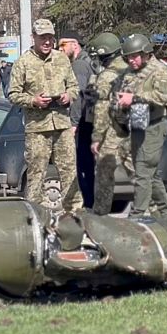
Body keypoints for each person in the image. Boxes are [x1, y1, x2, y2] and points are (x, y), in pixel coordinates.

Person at [7, 18, 81, 211]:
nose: (47, 42)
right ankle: (35, 216)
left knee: (69, 172)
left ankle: (74, 214)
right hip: (38, 128)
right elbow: (13, 94)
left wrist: (68, 96)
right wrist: (33, 101)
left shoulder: (62, 59)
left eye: (50, 37)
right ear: (34, 38)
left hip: (62, 125)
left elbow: (74, 86)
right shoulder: (23, 63)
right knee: (36, 174)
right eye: (42, 38)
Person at [115, 34, 167, 219]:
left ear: (145, 53)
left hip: (155, 126)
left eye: (134, 56)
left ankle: (136, 216)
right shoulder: (130, 72)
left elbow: (162, 97)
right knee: (152, 175)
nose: (131, 60)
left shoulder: (159, 71)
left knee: (143, 172)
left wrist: (133, 98)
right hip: (137, 126)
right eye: (128, 57)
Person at [88, 32, 134, 215]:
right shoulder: (132, 70)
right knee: (140, 174)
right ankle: (156, 212)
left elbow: (100, 109)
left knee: (104, 174)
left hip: (113, 132)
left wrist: (97, 137)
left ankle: (100, 214)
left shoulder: (106, 76)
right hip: (135, 129)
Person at [59, 30, 97, 209]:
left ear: (75, 45)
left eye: (63, 45)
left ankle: (88, 206)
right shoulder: (87, 62)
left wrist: (73, 123)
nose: (60, 49)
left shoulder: (79, 65)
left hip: (84, 124)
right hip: (89, 122)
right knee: (87, 167)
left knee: (83, 168)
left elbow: (78, 96)